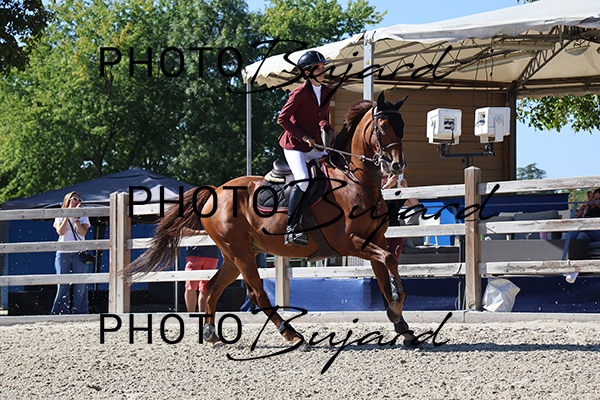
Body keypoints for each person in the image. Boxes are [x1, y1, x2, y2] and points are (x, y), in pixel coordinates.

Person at [277, 50, 337, 246]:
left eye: (323, 67)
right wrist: (303, 136)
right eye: (318, 68)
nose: (323, 71)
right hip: (294, 145)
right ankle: (291, 228)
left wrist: (330, 131)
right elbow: (282, 119)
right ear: (307, 73)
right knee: (303, 180)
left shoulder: (327, 91)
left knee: (335, 169)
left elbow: (322, 118)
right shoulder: (300, 93)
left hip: (314, 144)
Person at [51, 191, 91, 314]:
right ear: (68, 200)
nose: (77, 202)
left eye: (79, 200)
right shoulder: (60, 214)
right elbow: (61, 231)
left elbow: (82, 232)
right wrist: (68, 215)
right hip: (63, 252)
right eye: (74, 199)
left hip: (79, 252)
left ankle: (80, 312)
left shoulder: (83, 214)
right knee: (62, 284)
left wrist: (75, 217)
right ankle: (59, 312)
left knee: (81, 285)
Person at [565, 188, 600, 283]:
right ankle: (575, 270)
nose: (597, 201)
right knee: (581, 235)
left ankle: (561, 245)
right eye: (596, 199)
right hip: (593, 235)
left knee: (582, 226)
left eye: (599, 199)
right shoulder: (592, 210)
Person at [382, 174, 419, 260]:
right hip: (379, 235)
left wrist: (406, 188)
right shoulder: (374, 194)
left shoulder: (395, 195)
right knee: (379, 264)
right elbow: (376, 201)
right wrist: (388, 185)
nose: (387, 179)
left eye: (389, 177)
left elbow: (415, 204)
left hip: (395, 234)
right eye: (384, 177)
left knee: (393, 262)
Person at [184, 245, 220, 312]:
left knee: (205, 289)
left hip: (210, 254)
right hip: (197, 253)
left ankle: (202, 316)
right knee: (191, 287)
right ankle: (191, 316)